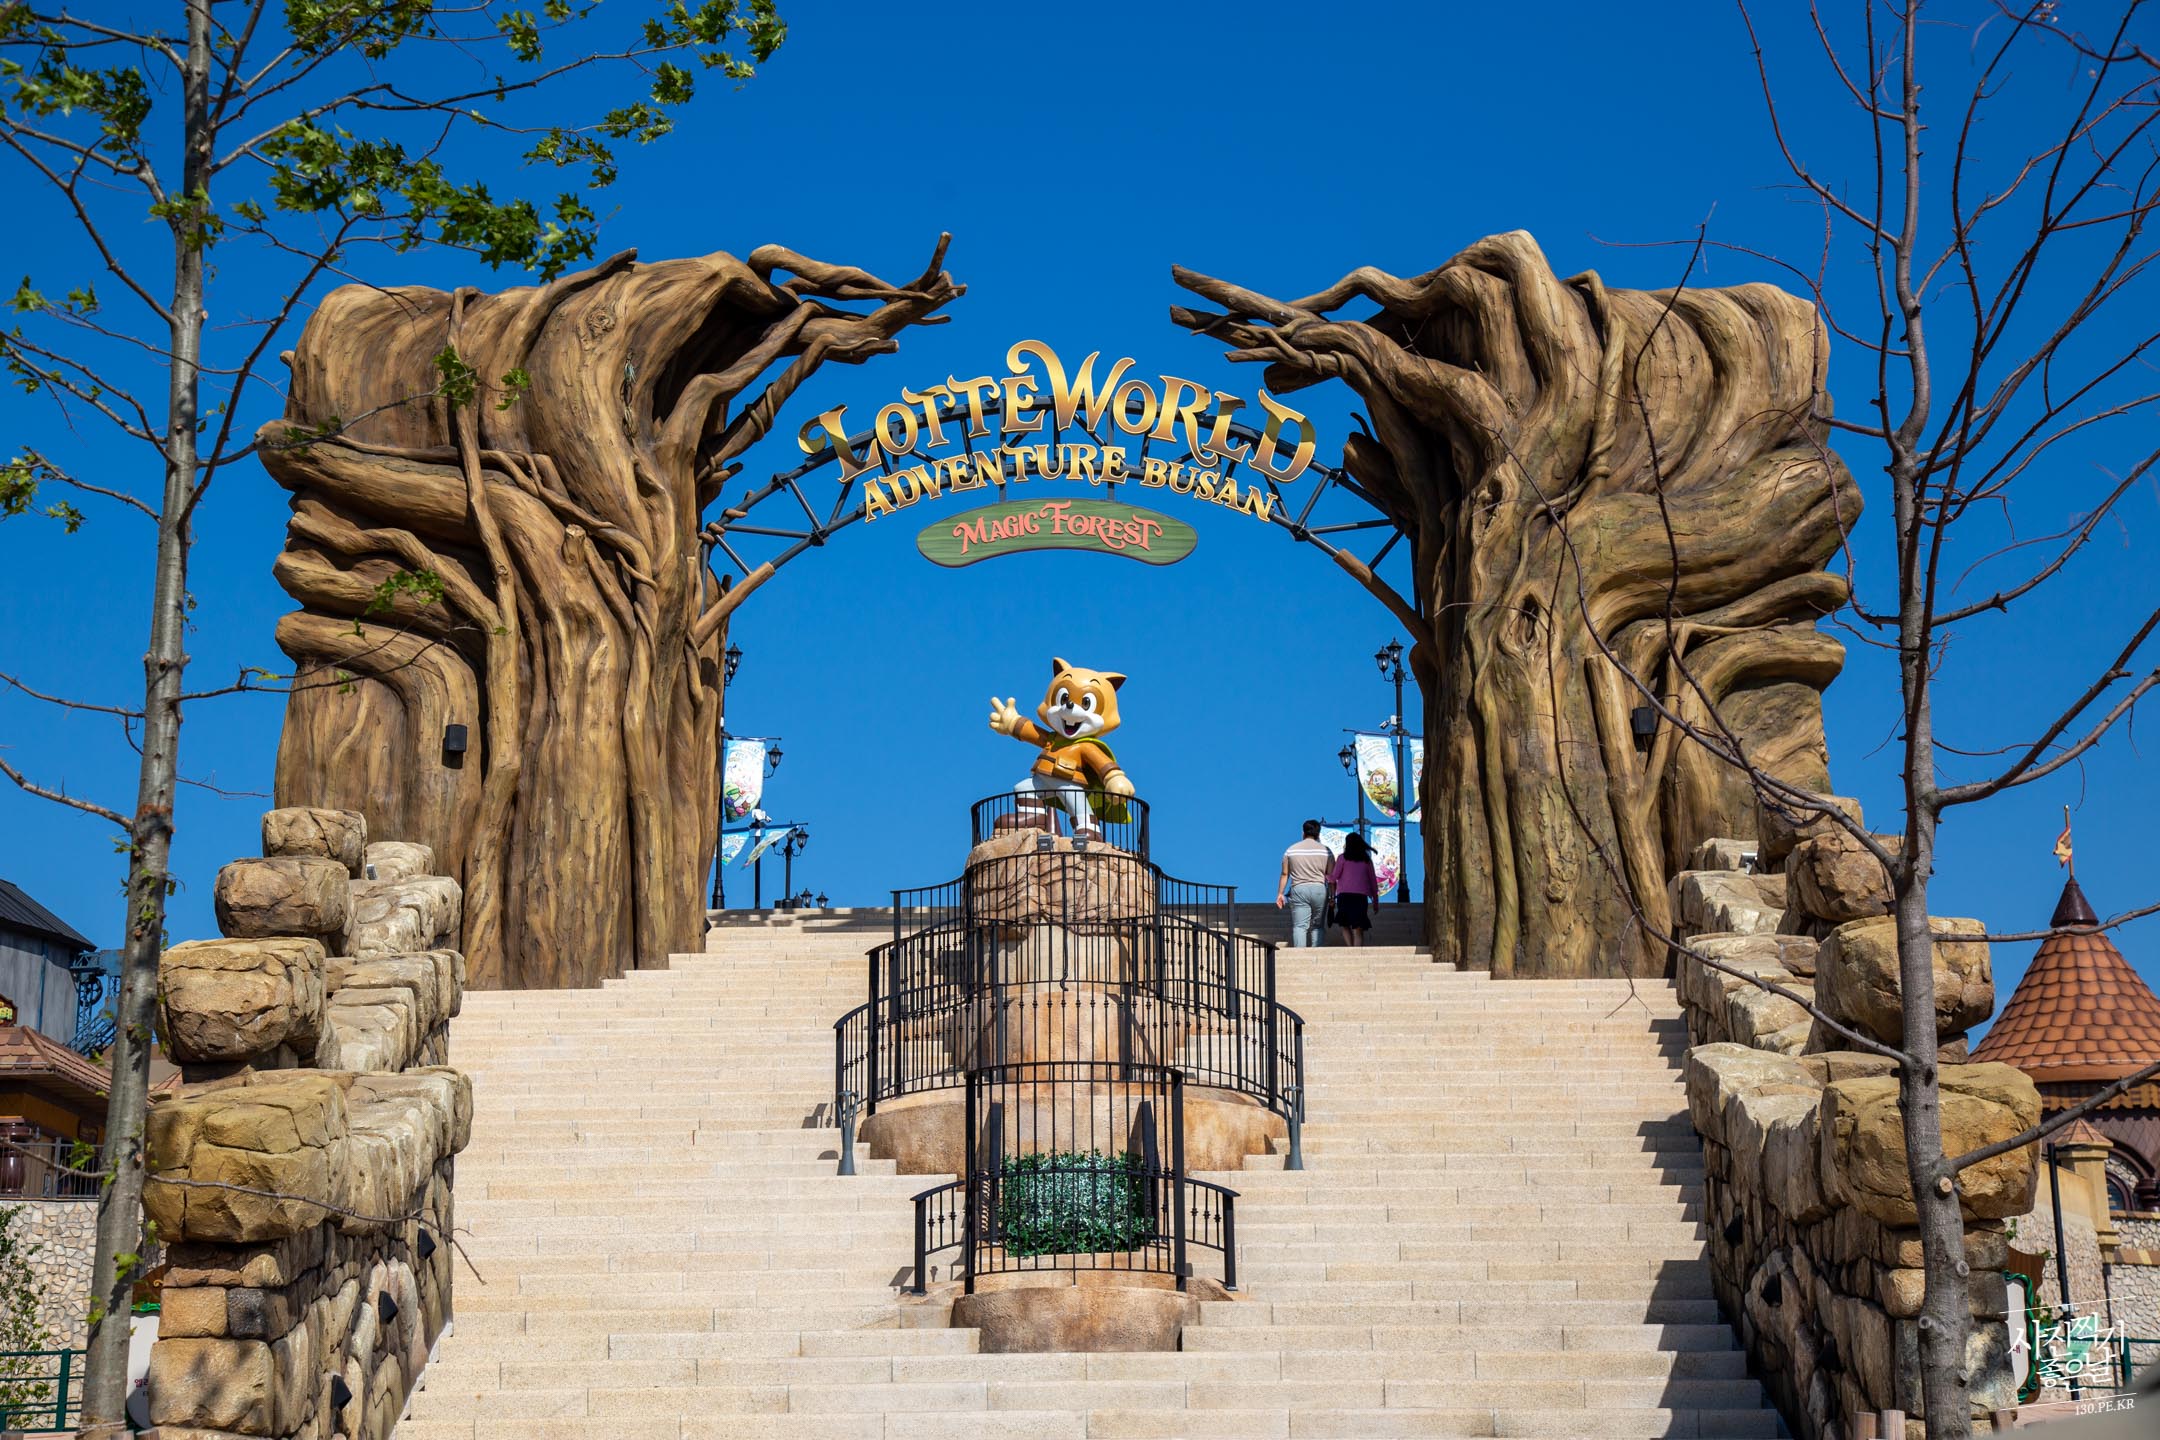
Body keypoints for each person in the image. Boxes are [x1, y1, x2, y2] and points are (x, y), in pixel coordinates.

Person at [1276, 820, 1333, 948]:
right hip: (1319, 889)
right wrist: (1332, 895)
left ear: (1303, 833)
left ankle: (1299, 953)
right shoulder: (1326, 851)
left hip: (1299, 889)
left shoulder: (1291, 850)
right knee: (1318, 926)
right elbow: (1330, 876)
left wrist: (1280, 893)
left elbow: (1285, 874)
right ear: (1318, 834)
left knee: (1299, 926)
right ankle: (1316, 951)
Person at [1327, 832, 1379, 947]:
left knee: (1344, 924)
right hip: (1360, 897)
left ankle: (1350, 948)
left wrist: (1324, 875)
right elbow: (1373, 882)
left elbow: (1334, 877)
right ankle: (1356, 951)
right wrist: (1375, 902)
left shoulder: (1342, 858)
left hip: (1344, 896)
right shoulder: (1366, 860)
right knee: (1358, 927)